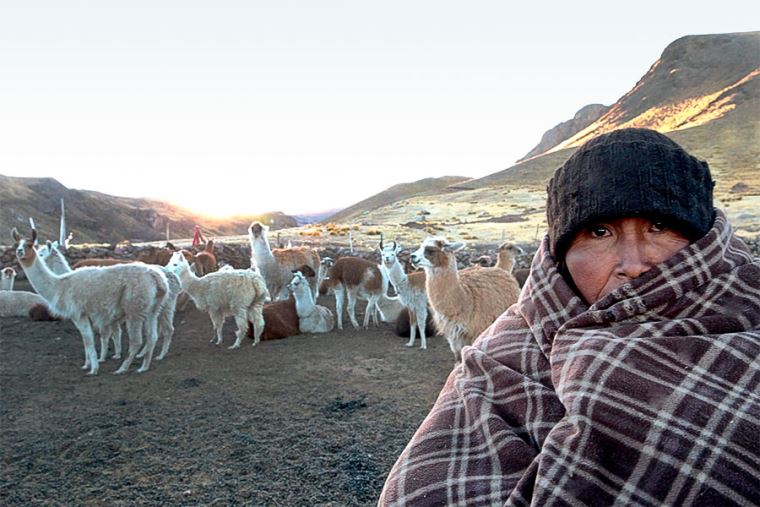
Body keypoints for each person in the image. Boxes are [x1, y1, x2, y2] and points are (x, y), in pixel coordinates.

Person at [379, 128, 760, 506]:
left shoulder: (747, 316)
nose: (633, 264)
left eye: (659, 227)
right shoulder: (503, 359)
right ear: (561, 254)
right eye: (599, 231)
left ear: (705, 242)